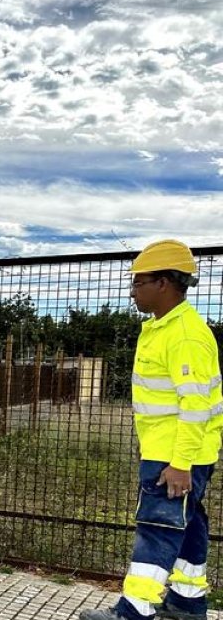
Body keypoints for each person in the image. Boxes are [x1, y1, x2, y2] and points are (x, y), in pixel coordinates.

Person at [81, 240, 223, 620]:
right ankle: (187, 602)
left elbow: (196, 406)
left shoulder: (184, 335)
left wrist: (179, 463)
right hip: (175, 452)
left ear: (163, 283)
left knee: (158, 527)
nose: (133, 291)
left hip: (175, 456)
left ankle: (133, 611)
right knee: (188, 525)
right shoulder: (165, 328)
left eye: (139, 282)